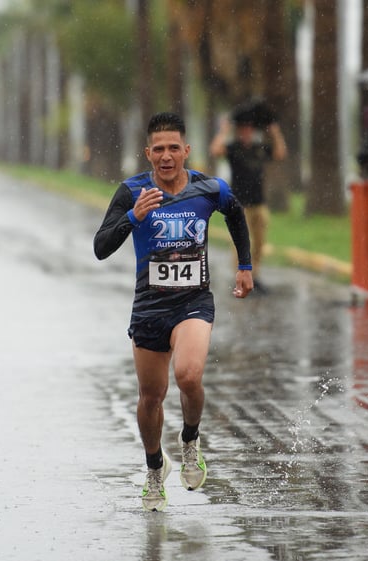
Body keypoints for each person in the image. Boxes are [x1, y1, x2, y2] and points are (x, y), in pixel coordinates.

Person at [93, 112, 254, 512]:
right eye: (158, 149)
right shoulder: (131, 192)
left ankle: (190, 441)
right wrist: (134, 218)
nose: (166, 156)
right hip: (149, 307)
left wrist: (246, 266)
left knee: (188, 374)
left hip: (193, 302)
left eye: (173, 148)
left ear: (186, 150)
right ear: (148, 153)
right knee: (152, 396)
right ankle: (153, 469)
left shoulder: (208, 188)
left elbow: (236, 214)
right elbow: (100, 247)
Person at [209, 103, 287, 293]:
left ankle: (256, 276)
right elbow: (215, 150)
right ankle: (241, 278)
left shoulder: (260, 148)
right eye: (243, 128)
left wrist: (274, 132)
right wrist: (225, 130)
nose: (246, 132)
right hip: (239, 204)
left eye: (250, 128)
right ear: (239, 130)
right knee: (240, 243)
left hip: (259, 202)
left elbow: (280, 153)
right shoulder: (233, 148)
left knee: (259, 242)